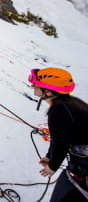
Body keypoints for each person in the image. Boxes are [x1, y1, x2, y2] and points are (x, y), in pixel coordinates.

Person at [28, 67, 88, 201]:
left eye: (35, 85)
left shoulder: (58, 112)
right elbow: (60, 138)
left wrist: (52, 166)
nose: (33, 87)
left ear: (48, 91)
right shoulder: (72, 103)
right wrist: (50, 157)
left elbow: (61, 144)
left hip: (83, 167)